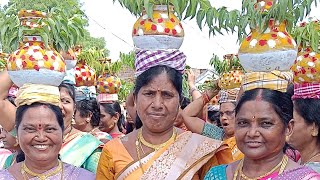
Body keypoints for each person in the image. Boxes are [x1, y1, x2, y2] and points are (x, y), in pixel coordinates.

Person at [96, 65, 232, 179]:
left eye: (167, 95)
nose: (157, 104)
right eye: (149, 93)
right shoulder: (113, 151)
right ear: (135, 99)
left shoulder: (201, 149)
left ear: (179, 101)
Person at [205, 88, 320, 179]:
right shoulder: (216, 176)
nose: (252, 133)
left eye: (266, 123)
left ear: (288, 128)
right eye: (243, 123)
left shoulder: (305, 177)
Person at [0, 71, 103, 173]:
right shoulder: (25, 131)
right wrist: (21, 62)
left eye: (65, 101)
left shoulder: (88, 147)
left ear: (74, 108)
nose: (58, 106)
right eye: (50, 101)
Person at [0, 102, 95, 179]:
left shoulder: (85, 177)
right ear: (17, 133)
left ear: (62, 133)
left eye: (50, 129)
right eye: (30, 129)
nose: (41, 138)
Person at [182, 89, 244, 161]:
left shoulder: (249, 137)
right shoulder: (217, 134)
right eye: (221, 114)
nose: (223, 117)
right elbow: (187, 115)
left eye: (229, 113)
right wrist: (211, 92)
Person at [288, 97, 320, 172]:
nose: (287, 127)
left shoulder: (314, 171)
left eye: (292, 122)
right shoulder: (299, 159)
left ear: (314, 128)